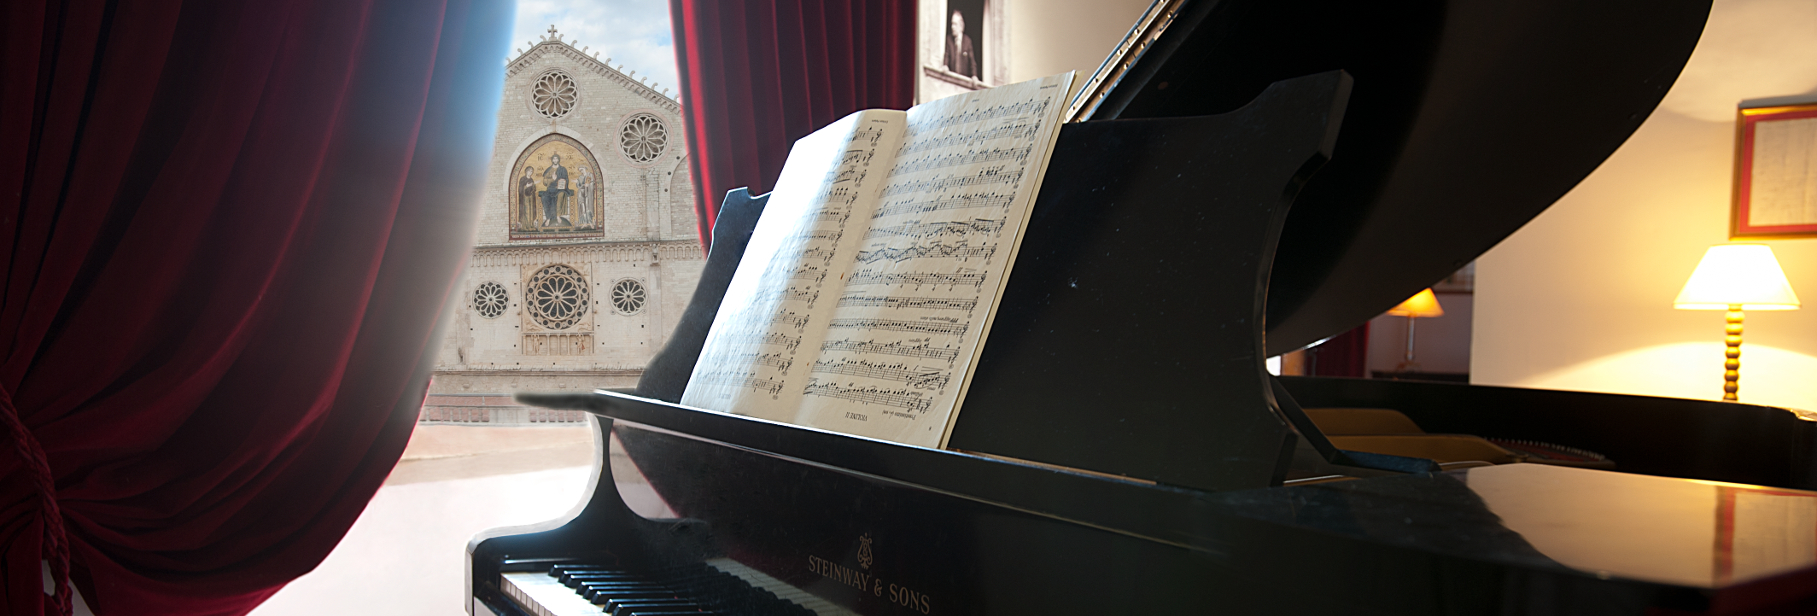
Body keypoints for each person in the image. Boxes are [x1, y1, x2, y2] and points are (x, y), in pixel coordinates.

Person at [942, 9, 978, 80]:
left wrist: (974, 75)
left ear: (961, 26)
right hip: (952, 79)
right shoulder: (949, 40)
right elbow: (946, 55)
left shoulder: (967, 41)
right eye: (952, 24)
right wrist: (945, 65)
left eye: (955, 24)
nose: (952, 27)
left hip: (963, 80)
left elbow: (972, 62)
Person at [540, 152, 571, 226]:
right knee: (544, 197)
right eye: (554, 158)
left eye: (557, 158)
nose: (555, 160)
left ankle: (558, 216)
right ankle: (548, 218)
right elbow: (544, 181)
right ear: (552, 160)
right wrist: (552, 179)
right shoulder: (549, 169)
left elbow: (566, 179)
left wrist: (561, 183)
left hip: (560, 189)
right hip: (551, 189)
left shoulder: (563, 169)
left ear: (558, 160)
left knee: (560, 195)